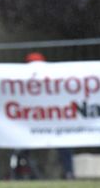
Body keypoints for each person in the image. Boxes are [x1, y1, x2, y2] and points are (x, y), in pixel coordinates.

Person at [22, 51, 75, 179]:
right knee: (23, 148)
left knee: (63, 145)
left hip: (51, 122)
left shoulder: (52, 80)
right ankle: (28, 173)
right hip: (33, 123)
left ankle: (68, 172)